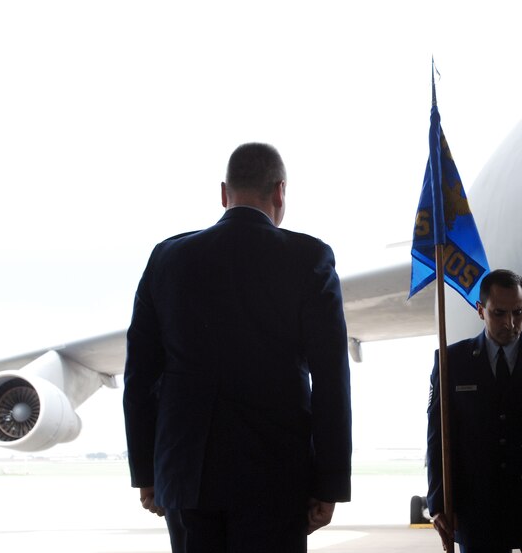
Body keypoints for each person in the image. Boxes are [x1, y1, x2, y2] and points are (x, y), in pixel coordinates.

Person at [123, 142, 352, 553]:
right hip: (276, 477)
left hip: (187, 477)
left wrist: (147, 471)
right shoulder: (309, 258)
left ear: (224, 193)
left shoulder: (167, 258)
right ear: (280, 192)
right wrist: (329, 481)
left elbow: (140, 376)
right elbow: (332, 378)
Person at [427, 269, 522, 553]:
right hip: (477, 507)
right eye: (499, 313)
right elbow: (439, 437)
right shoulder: (452, 361)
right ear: (481, 310)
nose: (510, 323)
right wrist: (438, 503)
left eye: (518, 313)